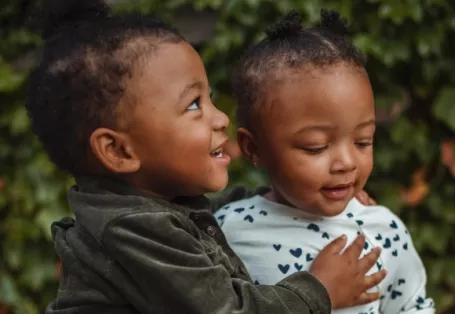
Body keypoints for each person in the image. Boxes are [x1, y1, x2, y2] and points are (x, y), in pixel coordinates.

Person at [27, 1, 386, 313]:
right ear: (119, 150)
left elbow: (205, 214)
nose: (221, 118)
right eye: (194, 104)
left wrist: (286, 196)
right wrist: (320, 288)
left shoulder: (150, 207)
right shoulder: (134, 229)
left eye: (210, 97)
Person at [216, 9, 435, 314]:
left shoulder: (383, 229)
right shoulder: (227, 231)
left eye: (363, 141)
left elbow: (413, 306)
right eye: (315, 147)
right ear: (254, 149)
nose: (345, 162)